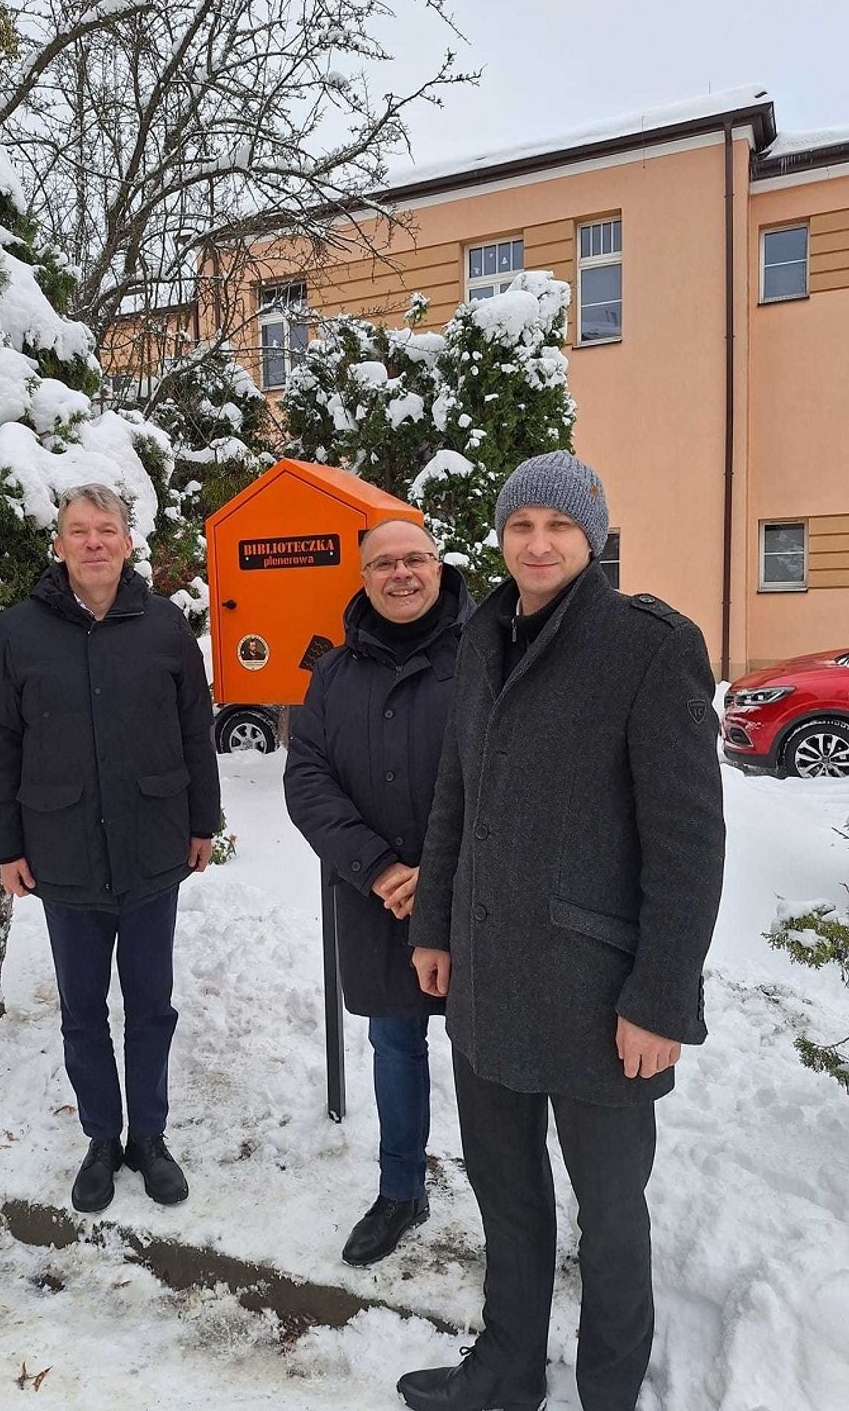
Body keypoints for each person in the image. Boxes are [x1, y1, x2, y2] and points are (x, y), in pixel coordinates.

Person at [397, 452, 725, 1411]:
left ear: (593, 538)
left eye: (559, 526)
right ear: (501, 538)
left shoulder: (648, 646)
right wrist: (436, 925)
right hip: (490, 977)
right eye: (521, 525)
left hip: (600, 995)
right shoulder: (480, 639)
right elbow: (457, 798)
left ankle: (609, 1390)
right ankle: (505, 1372)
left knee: (612, 1213)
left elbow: (688, 841)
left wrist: (662, 998)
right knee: (508, 1196)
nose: (538, 544)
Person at [0, 483, 220, 1213]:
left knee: (151, 1005)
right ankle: (101, 1139)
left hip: (151, 850)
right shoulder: (19, 632)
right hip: (64, 852)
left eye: (105, 530)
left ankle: (149, 1137)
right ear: (58, 545)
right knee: (82, 1009)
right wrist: (7, 845)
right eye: (78, 531)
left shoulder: (166, 626)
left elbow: (193, 732)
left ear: (127, 542)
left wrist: (201, 823)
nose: (92, 543)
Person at [284, 518, 471, 1266]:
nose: (401, 574)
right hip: (375, 900)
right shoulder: (333, 672)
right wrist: (381, 870)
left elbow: (510, 771)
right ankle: (401, 1190)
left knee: (491, 1057)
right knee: (394, 1044)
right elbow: (307, 777)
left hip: (475, 897)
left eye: (415, 559)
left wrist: (441, 873)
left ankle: (510, 1197)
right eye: (383, 563)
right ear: (363, 577)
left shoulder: (488, 651)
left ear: (438, 565)